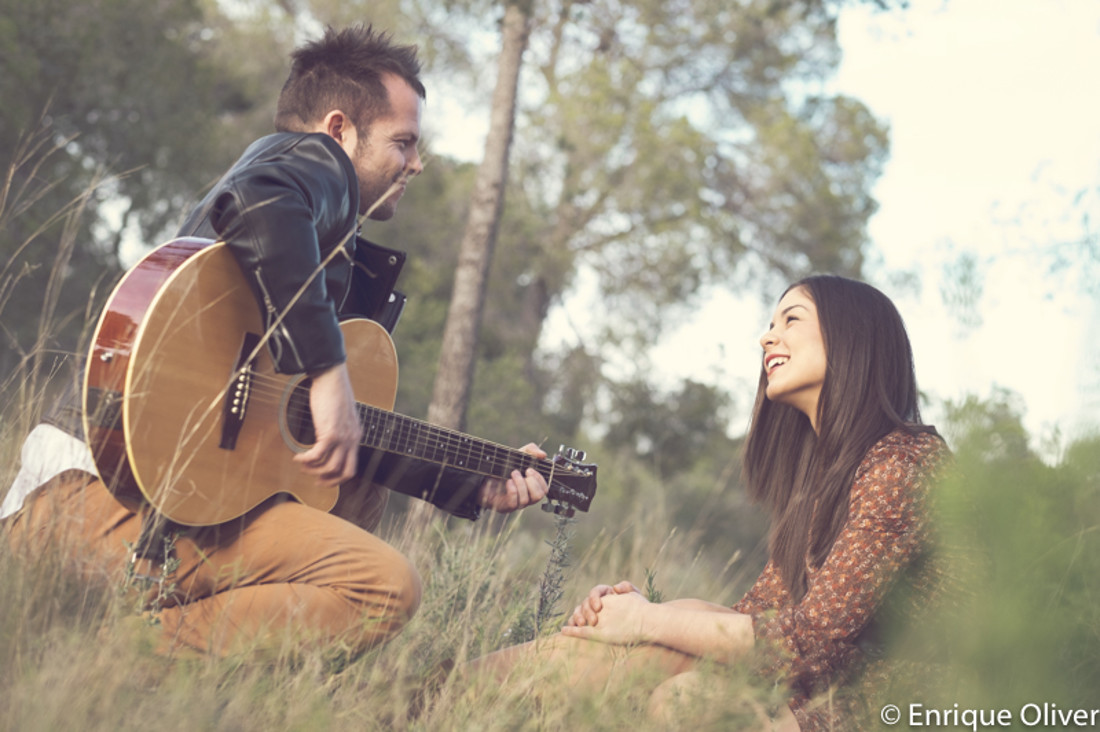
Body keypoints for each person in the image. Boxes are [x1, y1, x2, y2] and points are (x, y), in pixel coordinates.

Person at [1, 25, 549, 658]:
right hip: (94, 498)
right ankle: (115, 665)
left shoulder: (309, 254)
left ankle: (133, 667)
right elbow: (263, 200)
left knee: (349, 486)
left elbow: (294, 432)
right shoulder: (310, 165)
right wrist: (327, 370)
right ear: (339, 129)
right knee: (382, 587)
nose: (416, 164)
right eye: (403, 142)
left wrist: (470, 481)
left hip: (88, 506)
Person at [469, 275, 953, 731]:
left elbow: (804, 644)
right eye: (769, 326)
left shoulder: (905, 464)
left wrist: (645, 620)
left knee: (677, 685)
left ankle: (446, 696)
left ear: (853, 340)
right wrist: (630, 612)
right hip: (832, 687)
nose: (767, 339)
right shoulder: (822, 483)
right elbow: (753, 616)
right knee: (674, 678)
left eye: (792, 320)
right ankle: (444, 697)